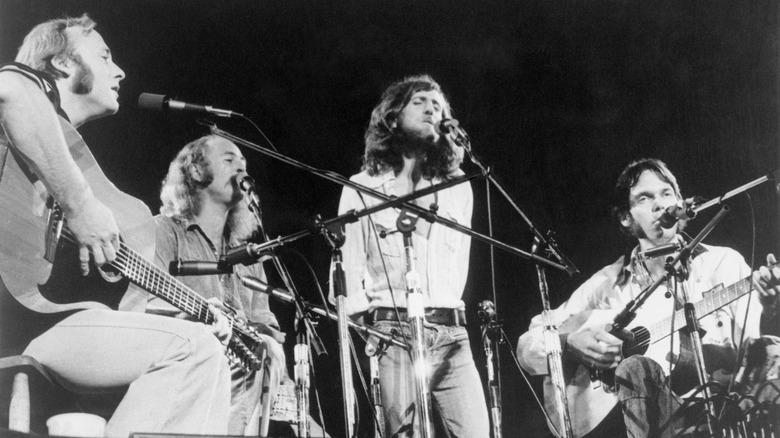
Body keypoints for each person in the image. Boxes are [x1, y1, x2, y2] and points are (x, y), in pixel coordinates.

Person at [0, 14, 231, 437]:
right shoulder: (29, 90)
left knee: (203, 349)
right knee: (193, 350)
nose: (120, 70)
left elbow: (119, 308)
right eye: (104, 56)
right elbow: (10, 89)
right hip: (20, 318)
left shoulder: (78, 161)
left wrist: (187, 311)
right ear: (62, 64)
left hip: (55, 323)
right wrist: (80, 206)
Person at [516, 158, 780, 438]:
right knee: (636, 367)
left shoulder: (724, 262)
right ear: (625, 217)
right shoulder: (607, 285)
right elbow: (527, 344)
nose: (660, 204)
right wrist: (568, 343)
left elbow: (753, 347)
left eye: (666, 194)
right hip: (664, 419)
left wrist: (771, 307)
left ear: (680, 204)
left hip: (732, 406)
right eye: (645, 198)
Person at [333, 74, 489, 437]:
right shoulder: (362, 187)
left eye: (438, 106)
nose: (431, 109)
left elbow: (458, 268)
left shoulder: (458, 187)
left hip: (452, 333)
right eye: (420, 102)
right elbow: (346, 275)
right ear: (393, 116)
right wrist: (370, 331)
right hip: (393, 332)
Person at [150, 134, 287, 435]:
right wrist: (190, 322)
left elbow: (266, 328)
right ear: (197, 171)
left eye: (244, 162)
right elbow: (141, 308)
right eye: (229, 159)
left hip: (243, 395)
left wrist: (267, 339)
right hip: (186, 378)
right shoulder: (163, 231)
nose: (241, 168)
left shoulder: (250, 259)